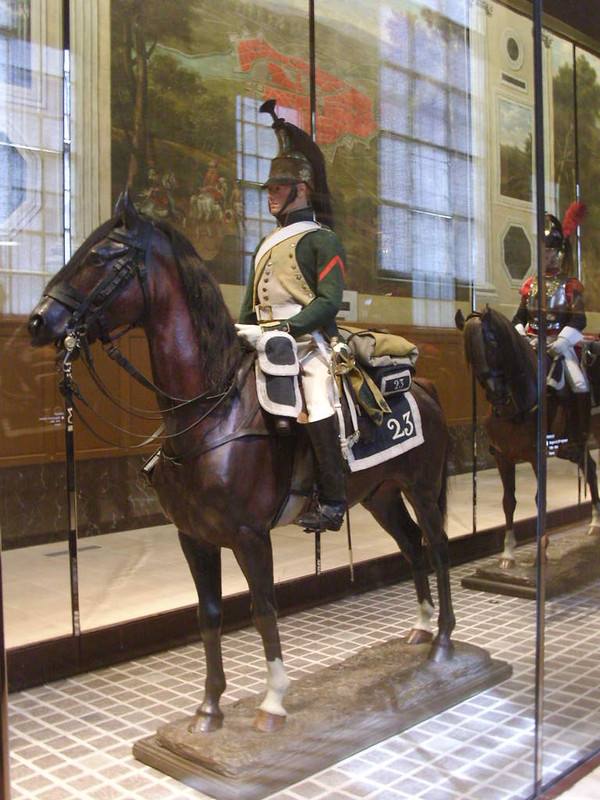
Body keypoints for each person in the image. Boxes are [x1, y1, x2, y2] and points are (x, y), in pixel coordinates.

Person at [236, 99, 347, 533]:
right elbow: (249, 306)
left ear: (301, 189)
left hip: (307, 344)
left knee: (318, 400)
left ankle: (334, 502)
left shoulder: (323, 240)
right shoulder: (264, 244)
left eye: (278, 188)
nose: (270, 195)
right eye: (268, 188)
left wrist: (285, 328)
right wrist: (240, 333)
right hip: (263, 337)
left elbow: (327, 303)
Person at [512, 202, 589, 453]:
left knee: (579, 383)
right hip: (532, 344)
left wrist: (563, 342)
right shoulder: (530, 285)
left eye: (548, 251)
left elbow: (578, 320)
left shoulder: (570, 285)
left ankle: (579, 435)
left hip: (559, 346)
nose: (544, 255)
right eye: (542, 250)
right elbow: (519, 317)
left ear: (557, 252)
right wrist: (521, 334)